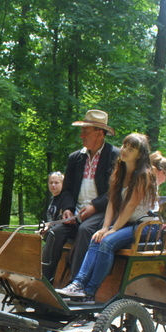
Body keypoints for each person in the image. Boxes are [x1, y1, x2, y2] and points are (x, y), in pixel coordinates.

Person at [56, 133, 157, 299]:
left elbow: (131, 206)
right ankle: (78, 284)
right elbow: (112, 202)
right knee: (97, 238)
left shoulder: (143, 175)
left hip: (145, 226)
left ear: (139, 155)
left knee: (107, 242)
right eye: (125, 146)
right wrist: (104, 228)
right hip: (127, 223)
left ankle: (90, 292)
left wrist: (113, 230)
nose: (124, 151)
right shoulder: (120, 171)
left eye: (131, 149)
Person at [41, 110, 120, 283]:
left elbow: (116, 191)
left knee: (85, 231)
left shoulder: (115, 156)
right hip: (77, 213)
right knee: (55, 233)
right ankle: (45, 281)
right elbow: (67, 189)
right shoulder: (75, 158)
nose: (81, 135)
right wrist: (68, 209)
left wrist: (95, 207)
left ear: (99, 133)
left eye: (86, 131)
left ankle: (76, 284)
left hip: (103, 213)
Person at [141, 151, 166, 243]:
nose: (165, 180)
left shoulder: (151, 185)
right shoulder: (150, 185)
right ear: (161, 172)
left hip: (147, 225)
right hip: (147, 227)